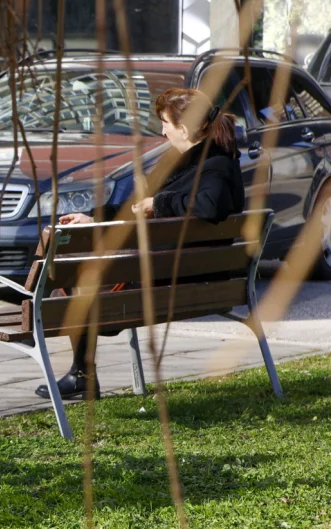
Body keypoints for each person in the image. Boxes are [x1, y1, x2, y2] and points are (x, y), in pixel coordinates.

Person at [39, 87, 245, 400]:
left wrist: (158, 203)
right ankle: (81, 374)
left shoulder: (214, 165)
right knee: (74, 281)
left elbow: (210, 206)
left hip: (168, 282)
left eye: (164, 122)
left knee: (69, 287)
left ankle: (82, 375)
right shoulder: (194, 163)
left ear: (184, 128)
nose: (162, 130)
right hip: (178, 279)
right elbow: (132, 206)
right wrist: (92, 218)